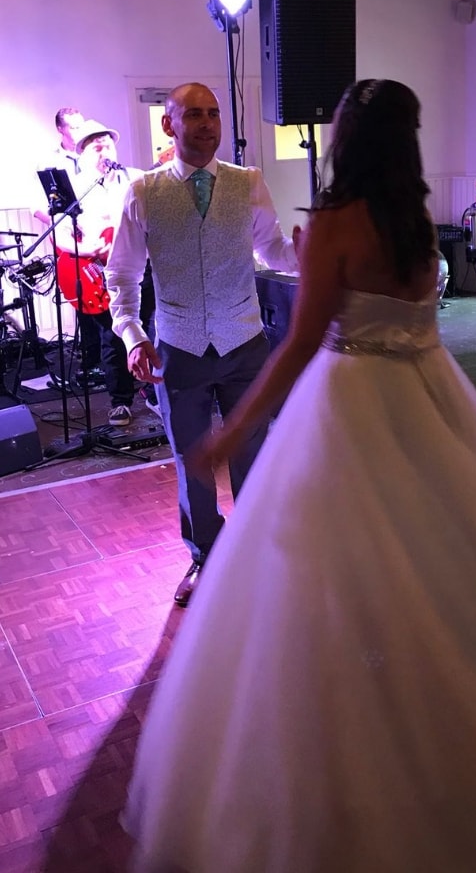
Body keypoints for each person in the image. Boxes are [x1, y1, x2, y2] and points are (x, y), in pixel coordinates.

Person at [120, 78, 476, 873]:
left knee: (326, 565)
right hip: (424, 400)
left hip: (348, 407)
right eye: (195, 112)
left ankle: (348, 719)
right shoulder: (415, 224)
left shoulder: (335, 224)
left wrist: (235, 431)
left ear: (346, 141)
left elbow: (303, 343)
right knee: (427, 550)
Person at [102, 83, 299, 606]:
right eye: (194, 114)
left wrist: (304, 253)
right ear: (169, 125)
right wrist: (133, 335)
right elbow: (121, 274)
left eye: (213, 113)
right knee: (192, 461)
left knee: (252, 453)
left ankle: (256, 554)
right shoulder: (144, 191)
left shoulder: (248, 182)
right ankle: (205, 559)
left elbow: (271, 249)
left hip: (244, 341)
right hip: (178, 347)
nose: (208, 123)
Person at [45, 119, 138, 424]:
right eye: (96, 147)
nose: (104, 150)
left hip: (140, 268)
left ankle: (156, 394)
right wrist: (89, 251)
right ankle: (121, 401)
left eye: (108, 144)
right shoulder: (74, 188)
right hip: (97, 271)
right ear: (82, 153)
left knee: (152, 328)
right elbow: (59, 233)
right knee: (113, 337)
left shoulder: (136, 180)